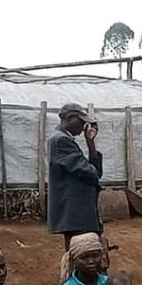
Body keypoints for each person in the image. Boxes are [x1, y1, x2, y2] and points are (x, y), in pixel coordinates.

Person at [48, 103, 105, 251]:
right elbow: (92, 174)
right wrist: (90, 144)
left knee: (81, 255)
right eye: (81, 121)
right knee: (82, 255)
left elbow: (95, 173)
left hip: (76, 215)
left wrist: (90, 143)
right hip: (76, 215)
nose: (84, 125)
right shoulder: (61, 141)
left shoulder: (61, 139)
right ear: (69, 119)